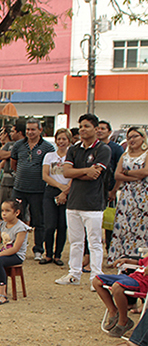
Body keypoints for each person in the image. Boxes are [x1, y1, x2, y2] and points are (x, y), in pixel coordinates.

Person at [55, 113, 112, 287]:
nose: (82, 130)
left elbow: (95, 175)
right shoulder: (74, 149)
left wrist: (80, 171)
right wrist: (85, 171)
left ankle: (97, 276)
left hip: (93, 204)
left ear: (96, 129)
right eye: (80, 127)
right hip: (74, 203)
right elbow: (66, 172)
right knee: (75, 241)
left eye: (86, 126)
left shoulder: (103, 149)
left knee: (94, 242)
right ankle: (74, 274)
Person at [10, 118, 55, 261]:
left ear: (40, 130)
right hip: (20, 188)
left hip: (38, 190)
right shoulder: (18, 145)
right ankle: (17, 247)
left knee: (38, 220)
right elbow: (13, 163)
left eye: (33, 129)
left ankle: (38, 250)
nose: (30, 132)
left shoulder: (48, 147)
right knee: (17, 218)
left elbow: (51, 167)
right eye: (28, 129)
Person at [107, 127, 148, 263]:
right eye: (129, 137)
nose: (132, 140)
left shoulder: (146, 154)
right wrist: (133, 177)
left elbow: (145, 172)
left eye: (135, 136)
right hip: (126, 195)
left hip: (143, 195)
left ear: (143, 137)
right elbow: (117, 175)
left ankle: (139, 260)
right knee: (124, 227)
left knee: (141, 227)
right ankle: (121, 258)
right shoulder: (125, 155)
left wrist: (128, 173)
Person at [93, 255, 148, 338]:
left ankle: (123, 320)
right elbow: (139, 262)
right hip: (132, 277)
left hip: (142, 282)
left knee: (117, 287)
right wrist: (126, 260)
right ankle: (113, 310)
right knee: (96, 281)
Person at [39, 128, 72, 266]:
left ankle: (58, 255)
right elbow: (45, 175)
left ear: (69, 140)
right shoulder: (49, 156)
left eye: (64, 139)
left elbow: (74, 176)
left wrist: (65, 191)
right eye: (59, 139)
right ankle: (48, 254)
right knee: (49, 225)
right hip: (52, 191)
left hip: (68, 192)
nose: (61, 142)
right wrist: (60, 187)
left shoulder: (72, 156)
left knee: (62, 226)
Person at [97, 120, 125, 251]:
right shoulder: (92, 147)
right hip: (94, 192)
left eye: (103, 128)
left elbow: (120, 170)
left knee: (109, 223)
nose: (100, 131)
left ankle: (110, 250)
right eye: (98, 128)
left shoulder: (116, 148)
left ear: (109, 132)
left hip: (110, 191)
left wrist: (114, 191)